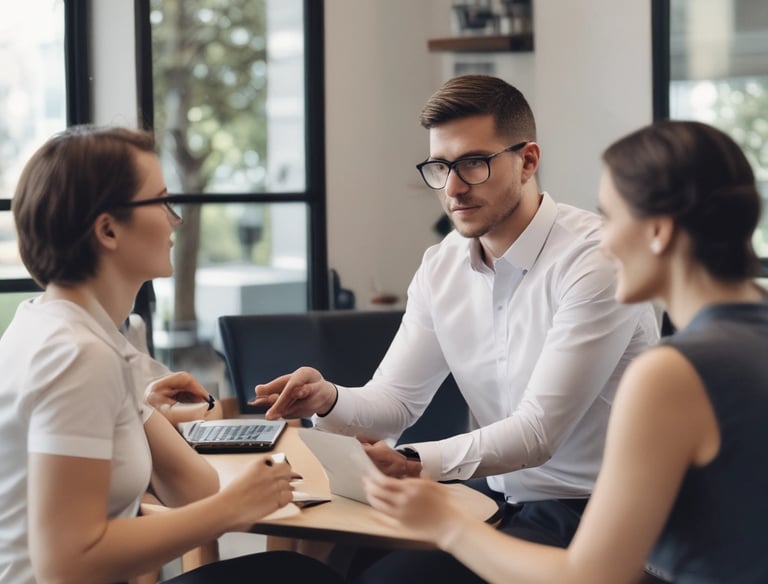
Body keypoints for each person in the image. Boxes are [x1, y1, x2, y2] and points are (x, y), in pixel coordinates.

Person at [253, 75, 660, 582]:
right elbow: (396, 402)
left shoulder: (596, 260)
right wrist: (329, 399)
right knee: (348, 564)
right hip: (495, 498)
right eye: (440, 167)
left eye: (473, 163)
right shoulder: (441, 266)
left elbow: (538, 433)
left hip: (595, 513)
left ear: (528, 160)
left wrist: (412, 460)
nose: (453, 187)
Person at [364, 119, 768, 584]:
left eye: (612, 216)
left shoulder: (671, 374)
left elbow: (591, 577)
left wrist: (448, 525)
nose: (605, 238)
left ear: (659, 231)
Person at [0, 125, 346, 584]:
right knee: (303, 576)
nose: (175, 220)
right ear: (107, 229)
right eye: (161, 201)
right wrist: (233, 506)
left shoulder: (56, 324)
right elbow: (64, 566)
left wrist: (139, 408)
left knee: (295, 571)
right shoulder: (78, 354)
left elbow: (193, 489)